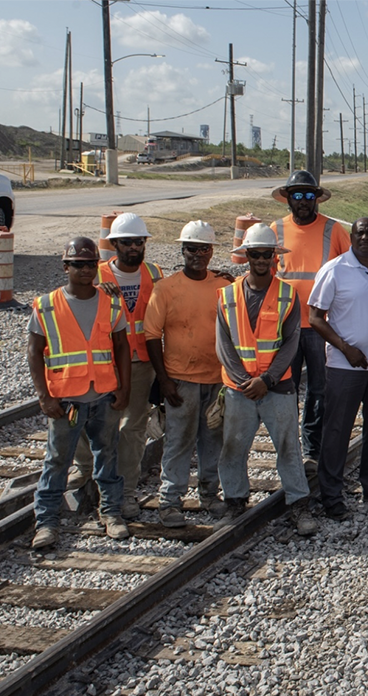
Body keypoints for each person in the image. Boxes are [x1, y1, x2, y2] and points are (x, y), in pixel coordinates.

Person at [214, 223, 318, 535]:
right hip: (239, 390)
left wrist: (267, 381)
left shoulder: (287, 294)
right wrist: (245, 380)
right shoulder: (226, 296)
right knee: (233, 448)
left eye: (267, 254)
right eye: (256, 254)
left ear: (275, 257)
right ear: (246, 256)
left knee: (288, 448)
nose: (261, 259)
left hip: (277, 388)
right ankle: (234, 499)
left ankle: (299, 505)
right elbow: (224, 344)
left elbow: (291, 342)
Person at [28, 237, 131, 549]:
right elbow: (34, 352)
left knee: (108, 457)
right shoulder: (46, 306)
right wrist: (44, 396)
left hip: (103, 396)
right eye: (78, 264)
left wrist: (124, 388)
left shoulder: (111, 303)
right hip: (66, 400)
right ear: (66, 267)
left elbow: (122, 347)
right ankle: (46, 523)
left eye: (90, 264)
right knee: (57, 461)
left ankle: (111, 514)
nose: (85, 270)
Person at [309, 217, 368, 520]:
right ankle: (331, 495)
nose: (366, 237)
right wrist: (345, 348)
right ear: (352, 236)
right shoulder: (335, 270)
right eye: (360, 233)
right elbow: (315, 317)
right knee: (338, 430)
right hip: (345, 367)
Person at [74, 212, 163, 519]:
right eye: (127, 242)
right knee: (88, 421)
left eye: (139, 241)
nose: (134, 247)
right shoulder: (94, 274)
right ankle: (85, 469)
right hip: (103, 361)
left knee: (133, 428)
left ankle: (124, 491)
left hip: (140, 362)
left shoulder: (154, 273)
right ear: (115, 244)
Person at [147, 221, 230, 528]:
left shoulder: (223, 287)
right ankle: (170, 501)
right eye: (192, 248)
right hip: (180, 379)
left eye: (204, 248)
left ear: (211, 252)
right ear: (182, 251)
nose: (198, 254)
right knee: (178, 442)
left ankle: (209, 495)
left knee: (212, 440)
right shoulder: (166, 289)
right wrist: (164, 379)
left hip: (216, 379)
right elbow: (152, 336)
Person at [270, 170, 351, 473]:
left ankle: (311, 449)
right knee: (284, 389)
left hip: (321, 326)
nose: (303, 201)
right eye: (297, 195)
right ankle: (288, 447)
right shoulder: (275, 229)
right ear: (288, 198)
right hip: (284, 326)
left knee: (319, 390)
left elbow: (352, 266)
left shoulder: (334, 230)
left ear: (316, 198)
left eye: (308, 195)